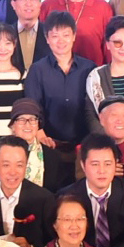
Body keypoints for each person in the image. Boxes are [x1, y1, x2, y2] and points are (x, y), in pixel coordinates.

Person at [0, 135, 57, 247]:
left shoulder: (44, 199)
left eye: (19, 165)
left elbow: (54, 242)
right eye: (6, 165)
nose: (13, 172)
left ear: (26, 166)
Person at [24, 11, 93, 149]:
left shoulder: (89, 68)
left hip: (85, 145)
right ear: (47, 38)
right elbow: (31, 107)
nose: (61, 41)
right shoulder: (37, 70)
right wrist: (41, 135)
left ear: (74, 36)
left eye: (66, 35)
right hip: (48, 144)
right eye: (55, 36)